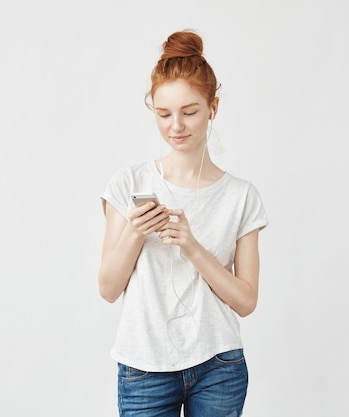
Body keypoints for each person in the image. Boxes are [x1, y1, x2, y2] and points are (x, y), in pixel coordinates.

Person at [98, 29, 268, 417]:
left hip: (219, 367)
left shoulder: (241, 196)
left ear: (213, 108)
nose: (176, 126)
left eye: (189, 111)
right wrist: (137, 232)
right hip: (144, 368)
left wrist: (192, 246)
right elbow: (108, 289)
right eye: (163, 114)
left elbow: (246, 301)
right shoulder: (128, 184)